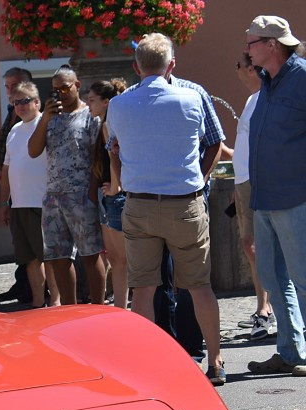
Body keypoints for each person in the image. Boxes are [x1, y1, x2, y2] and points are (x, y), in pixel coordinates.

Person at [106, 32, 225, 385]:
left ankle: (146, 365)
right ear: (171, 65)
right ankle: (216, 362)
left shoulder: (119, 104)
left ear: (136, 66)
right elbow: (210, 141)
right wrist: (200, 179)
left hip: (139, 203)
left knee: (143, 288)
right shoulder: (190, 99)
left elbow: (113, 148)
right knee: (199, 285)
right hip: (184, 202)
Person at [244, 15, 306, 378]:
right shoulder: (267, 81)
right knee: (271, 276)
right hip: (265, 197)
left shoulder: (301, 78)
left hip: (295, 195)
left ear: (271, 45)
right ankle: (290, 350)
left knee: (303, 277)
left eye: (252, 43)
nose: (247, 51)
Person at [28, 64, 105, 306]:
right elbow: (33, 151)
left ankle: (98, 308)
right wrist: (46, 118)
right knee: (58, 257)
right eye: (55, 90)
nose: (59, 93)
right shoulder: (49, 118)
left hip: (81, 194)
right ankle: (70, 309)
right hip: (53, 196)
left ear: (77, 86)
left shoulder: (90, 117)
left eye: (64, 88)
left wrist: (92, 193)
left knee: (90, 254)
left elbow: (97, 157)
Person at [0, 81, 58, 309]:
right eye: (16, 102)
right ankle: (37, 302)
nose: (20, 106)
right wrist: (4, 201)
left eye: (25, 101)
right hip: (19, 205)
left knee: (49, 257)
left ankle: (55, 300)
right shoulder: (14, 131)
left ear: (37, 102)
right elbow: (6, 169)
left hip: (42, 202)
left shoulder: (46, 123)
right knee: (29, 259)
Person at [232, 52, 275, 340]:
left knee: (256, 246)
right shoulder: (252, 100)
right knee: (251, 246)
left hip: (256, 181)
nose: (236, 70)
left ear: (252, 69)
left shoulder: (264, 99)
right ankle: (263, 308)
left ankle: (267, 310)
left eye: (239, 65)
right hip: (244, 181)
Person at [86, 79, 129, 308]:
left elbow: (115, 157)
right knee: (115, 259)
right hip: (108, 196)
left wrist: (115, 186)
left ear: (106, 102)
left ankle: (123, 307)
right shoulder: (104, 122)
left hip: (114, 196)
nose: (88, 103)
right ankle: (121, 307)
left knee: (120, 259)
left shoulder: (107, 125)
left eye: (92, 100)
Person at [0, 68, 36, 304]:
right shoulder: (12, 115)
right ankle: (23, 284)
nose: (10, 91)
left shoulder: (33, 119)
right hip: (14, 189)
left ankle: (31, 288)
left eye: (14, 85)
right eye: (7, 87)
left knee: (33, 246)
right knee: (20, 243)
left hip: (31, 193)